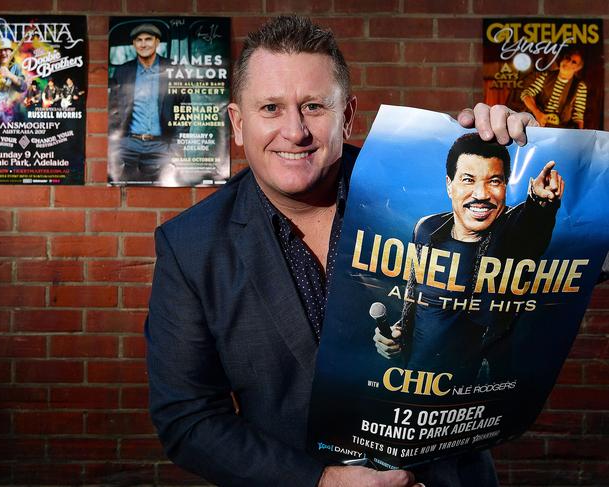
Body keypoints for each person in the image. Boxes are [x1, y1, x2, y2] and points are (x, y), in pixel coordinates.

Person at [146, 15, 537, 487]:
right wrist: (322, 481)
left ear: (348, 115)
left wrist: (535, 152)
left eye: (313, 106)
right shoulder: (191, 247)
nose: (294, 131)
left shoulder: (429, 194)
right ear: (237, 122)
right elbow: (188, 420)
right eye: (270, 107)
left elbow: (586, 260)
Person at [373, 133, 564, 385]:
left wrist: (541, 202)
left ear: (505, 185)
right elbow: (415, 297)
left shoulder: (512, 231)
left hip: (473, 391)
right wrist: (394, 335)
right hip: (414, 379)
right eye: (468, 180)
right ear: (449, 185)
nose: (481, 194)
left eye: (494, 181)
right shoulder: (427, 229)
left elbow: (531, 224)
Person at [108, 23, 190, 183]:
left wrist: (176, 150)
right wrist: (117, 145)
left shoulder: (174, 69)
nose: (143, 44)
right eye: (139, 40)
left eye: (148, 39)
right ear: (133, 44)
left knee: (166, 190)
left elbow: (184, 112)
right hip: (128, 145)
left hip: (161, 145)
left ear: (157, 42)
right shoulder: (123, 71)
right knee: (122, 191)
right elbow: (114, 110)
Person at [520, 51, 587, 129]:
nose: (568, 62)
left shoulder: (580, 86)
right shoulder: (546, 76)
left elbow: (578, 116)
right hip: (538, 124)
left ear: (577, 68)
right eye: (567, 58)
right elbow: (526, 94)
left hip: (561, 129)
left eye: (574, 62)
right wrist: (537, 112)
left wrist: (580, 134)